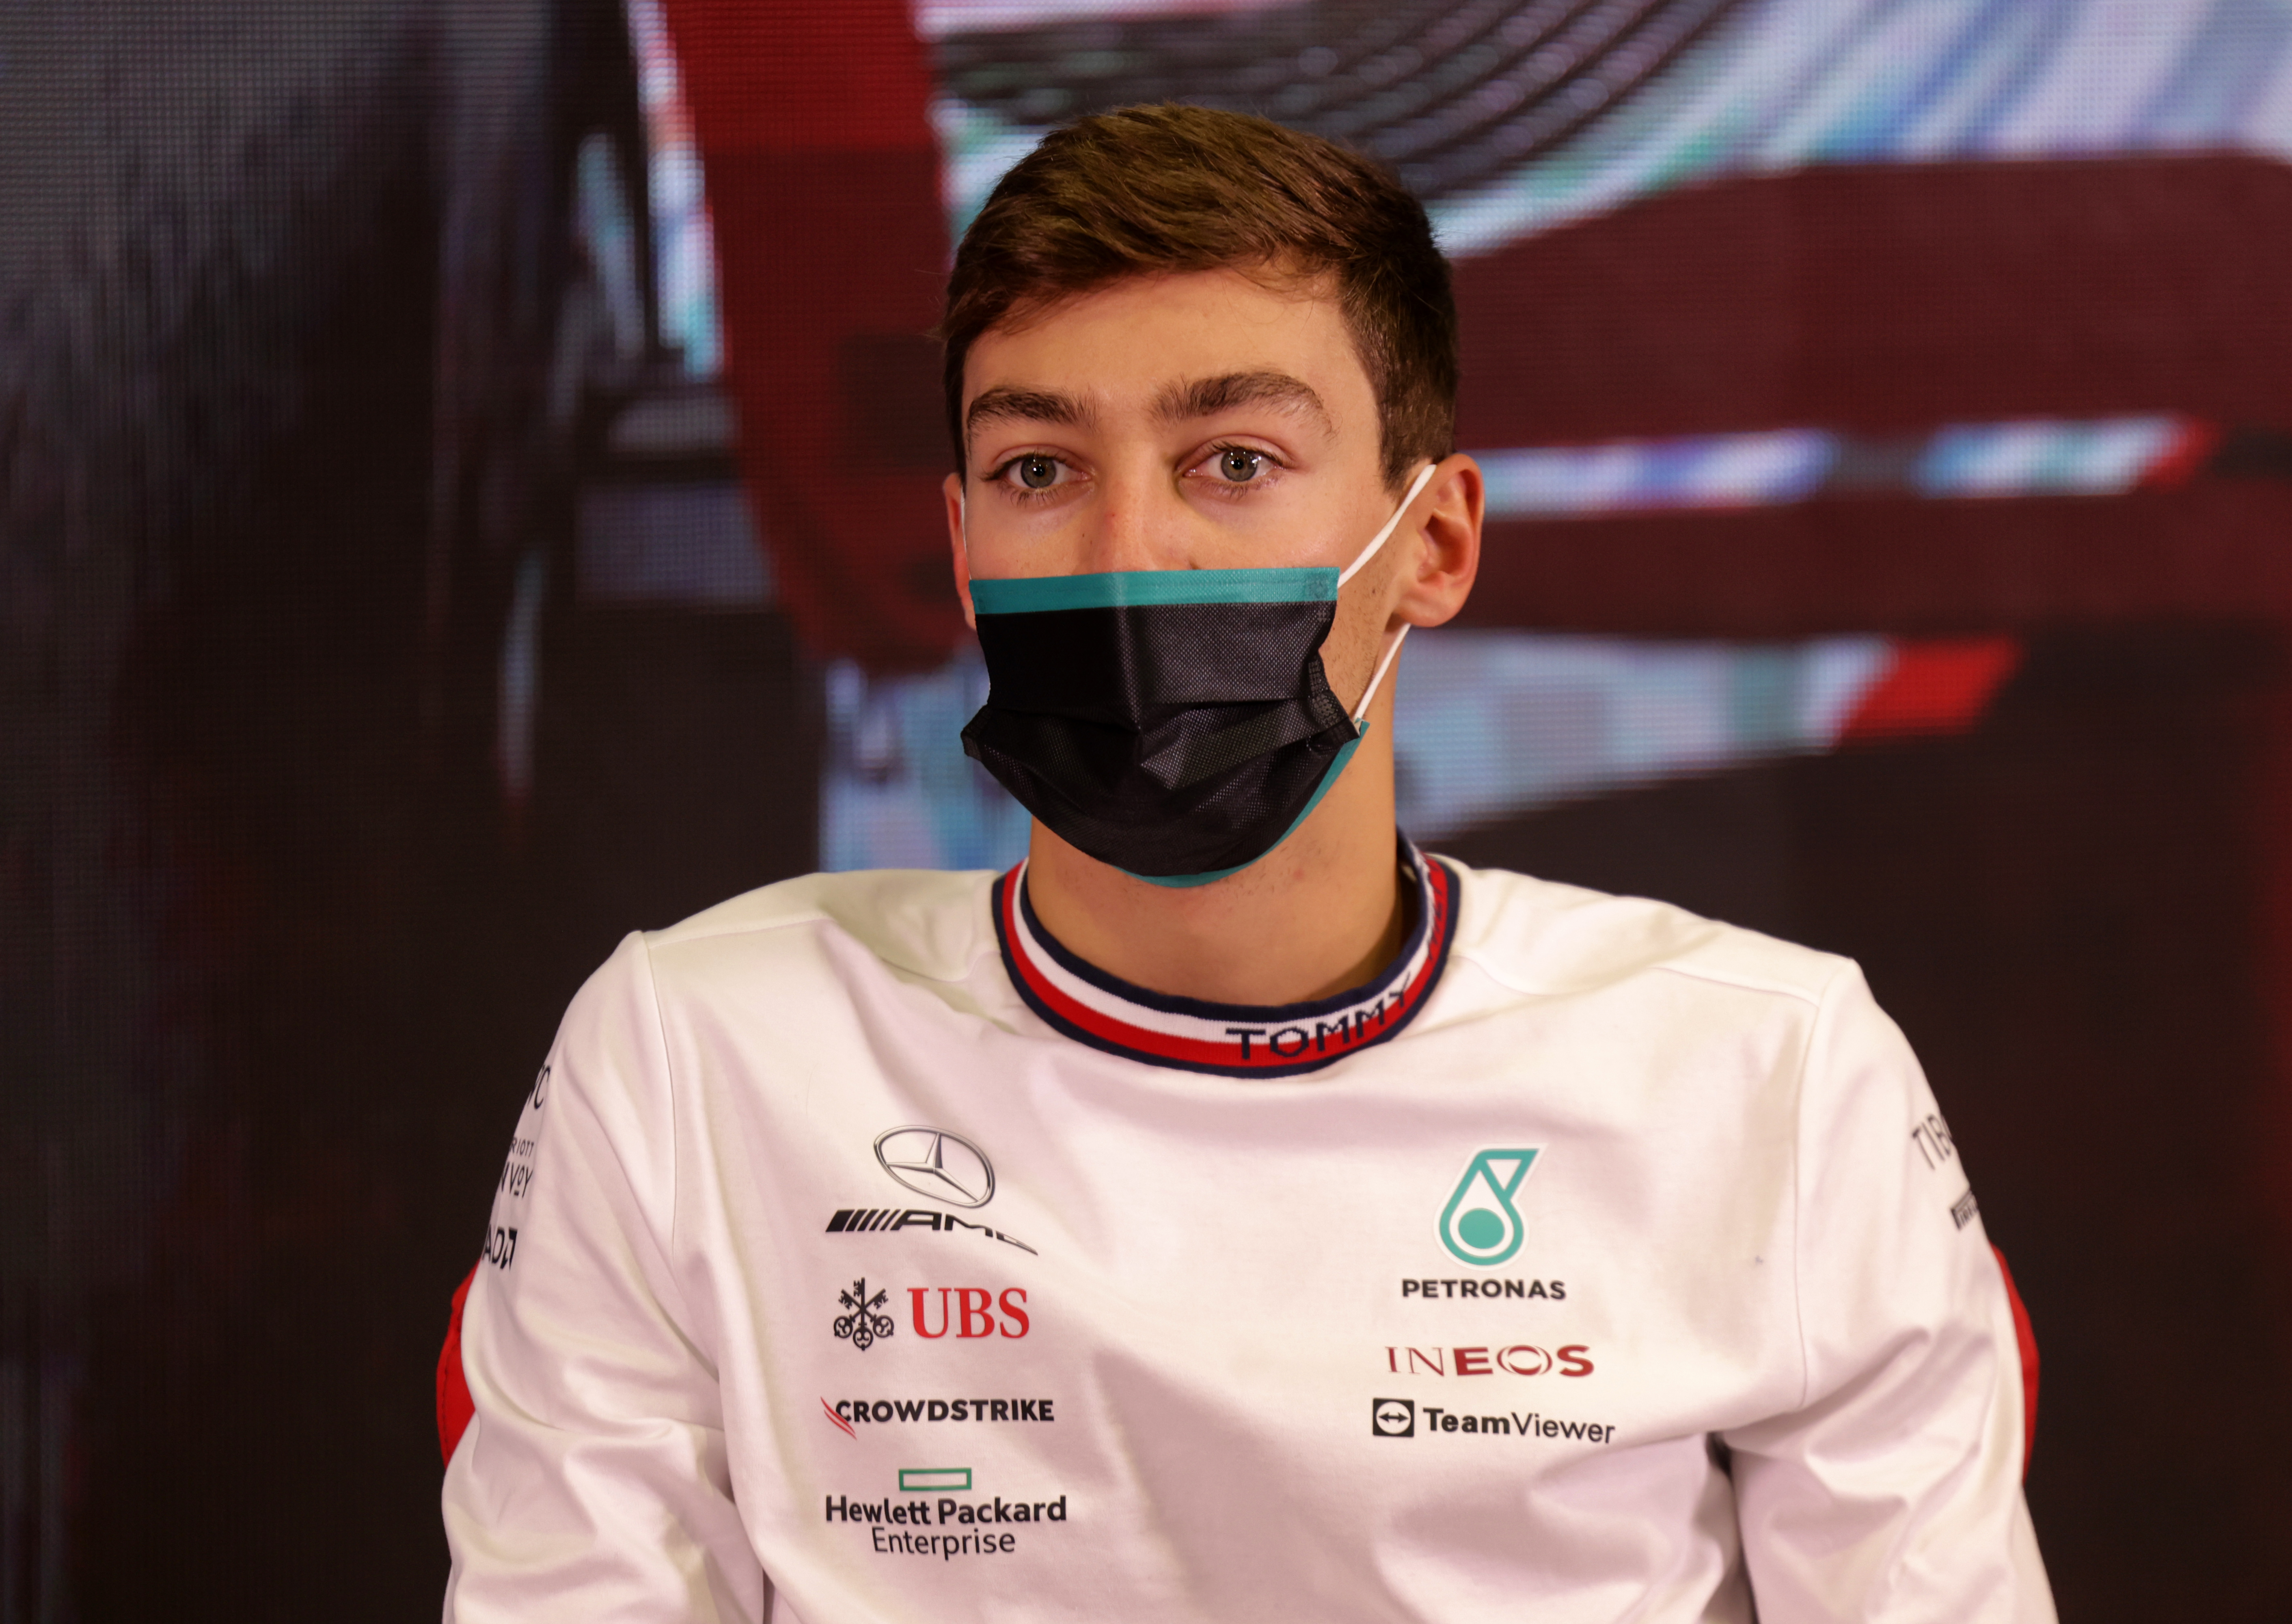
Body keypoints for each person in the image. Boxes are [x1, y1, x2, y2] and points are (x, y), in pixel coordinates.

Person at [438, 104, 2053, 1622]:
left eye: (1233, 462)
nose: (1130, 551)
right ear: (964, 550)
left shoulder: (1773, 1075)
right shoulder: (691, 1055)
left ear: (1434, 544)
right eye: (1039, 470)